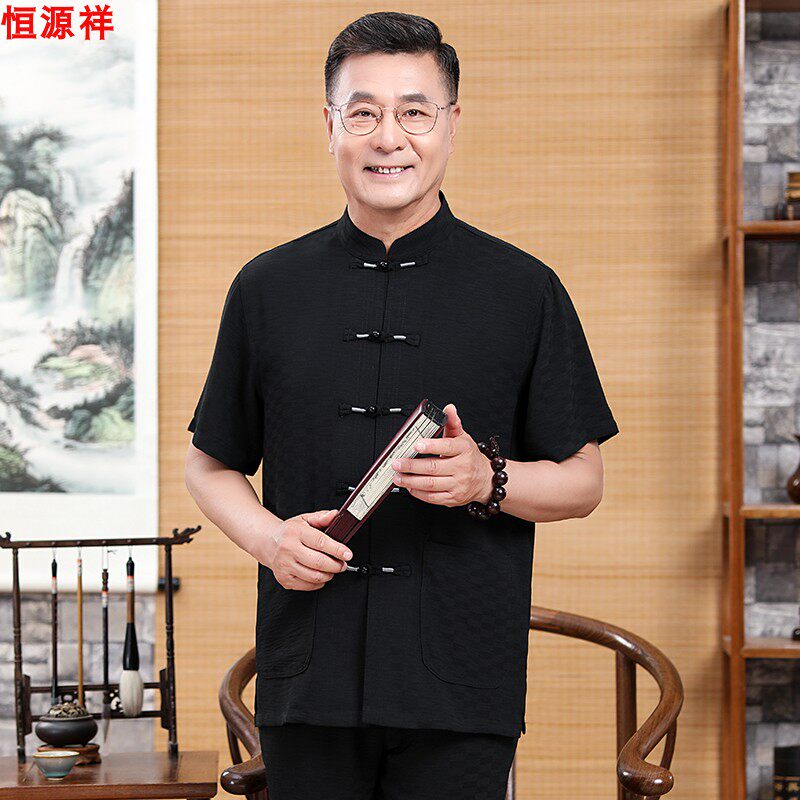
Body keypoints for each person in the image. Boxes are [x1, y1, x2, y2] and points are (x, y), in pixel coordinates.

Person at [184, 10, 619, 800]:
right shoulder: (266, 288)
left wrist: (487, 480)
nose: (390, 138)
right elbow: (208, 465)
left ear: (451, 123)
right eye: (364, 113)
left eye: (415, 112)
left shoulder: (523, 289)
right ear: (330, 126)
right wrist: (270, 539)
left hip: (462, 682)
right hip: (307, 678)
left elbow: (583, 481)